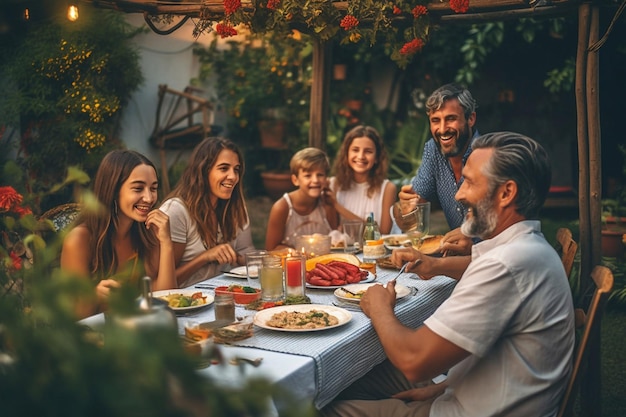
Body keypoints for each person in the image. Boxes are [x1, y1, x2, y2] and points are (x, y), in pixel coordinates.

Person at [322, 132, 575, 417]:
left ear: (507, 193)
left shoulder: (506, 265)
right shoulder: (526, 248)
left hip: (464, 411)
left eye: (469, 182)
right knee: (346, 375)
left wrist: (379, 307)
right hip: (467, 390)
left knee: (320, 405)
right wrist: (435, 266)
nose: (458, 194)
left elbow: (414, 360)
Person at [61, 150, 177, 319]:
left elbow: (166, 299)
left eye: (153, 188)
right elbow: (72, 318)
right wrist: (94, 296)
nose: (149, 198)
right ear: (114, 190)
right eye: (138, 188)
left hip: (138, 330)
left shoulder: (147, 231)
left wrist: (166, 244)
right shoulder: (79, 240)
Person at [159, 137, 255, 288]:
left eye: (236, 169)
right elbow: (162, 283)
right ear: (203, 170)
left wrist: (276, 258)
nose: (233, 177)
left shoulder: (234, 208)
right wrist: (205, 257)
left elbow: (246, 252)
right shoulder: (177, 211)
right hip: (186, 303)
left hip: (225, 295)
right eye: (224, 168)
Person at [396, 83, 479, 254]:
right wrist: (404, 207)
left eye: (450, 119)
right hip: (457, 258)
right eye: (435, 121)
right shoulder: (433, 151)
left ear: (471, 119)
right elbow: (409, 221)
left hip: (494, 260)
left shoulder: (486, 155)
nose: (442, 130)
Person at [327, 125, 397, 234]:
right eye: (355, 150)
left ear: (377, 158)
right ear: (346, 154)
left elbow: (382, 233)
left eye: (368, 151)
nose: (361, 156)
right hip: (342, 250)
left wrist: (337, 206)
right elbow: (333, 229)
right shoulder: (334, 184)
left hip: (374, 250)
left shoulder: (387, 188)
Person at [265, 147, 338, 251]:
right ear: (295, 180)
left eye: (320, 175)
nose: (315, 180)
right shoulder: (282, 207)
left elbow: (335, 241)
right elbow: (271, 248)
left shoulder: (327, 203)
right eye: (308, 176)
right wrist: (295, 253)